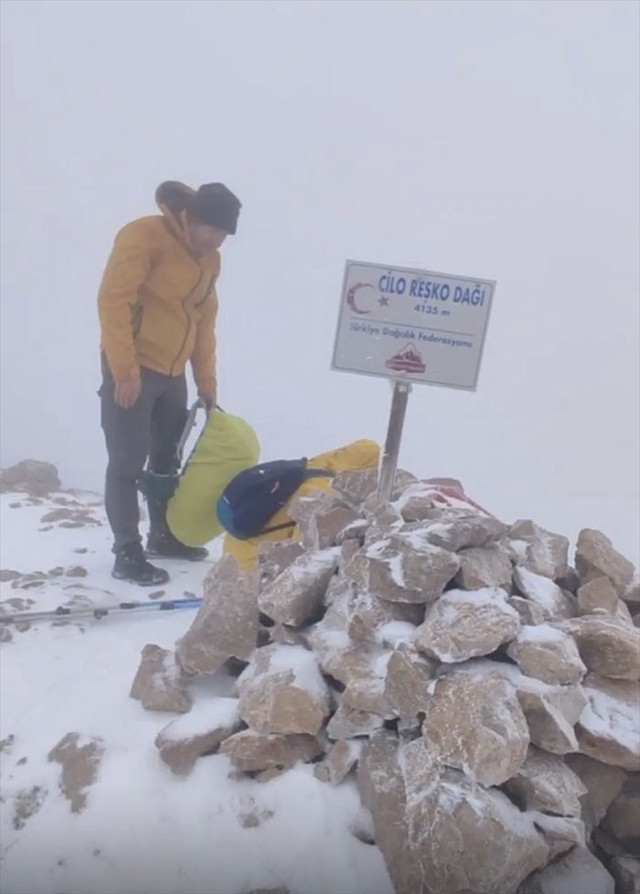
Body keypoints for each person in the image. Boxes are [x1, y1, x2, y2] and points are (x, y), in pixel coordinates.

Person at [97, 180, 241, 585]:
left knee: (166, 459)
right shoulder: (144, 235)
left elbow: (204, 321)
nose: (218, 241)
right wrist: (124, 372)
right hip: (134, 366)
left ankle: (162, 535)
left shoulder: (210, 261)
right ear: (192, 218)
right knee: (127, 461)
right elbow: (113, 300)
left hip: (174, 372)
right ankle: (127, 551)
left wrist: (206, 381)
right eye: (213, 231)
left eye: (225, 235)